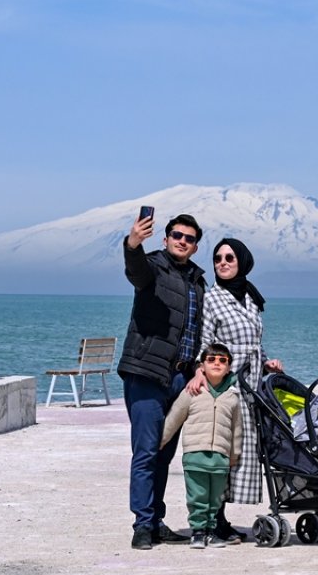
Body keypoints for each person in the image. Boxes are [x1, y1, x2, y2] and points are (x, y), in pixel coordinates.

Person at [185, 238, 283, 544]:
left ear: (242, 261)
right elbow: (205, 341)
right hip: (225, 385)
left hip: (251, 385)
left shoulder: (251, 298)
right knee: (222, 451)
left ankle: (219, 518)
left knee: (239, 453)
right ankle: (214, 520)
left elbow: (254, 341)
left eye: (229, 257)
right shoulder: (212, 298)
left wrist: (267, 362)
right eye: (217, 258)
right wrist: (200, 373)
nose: (223, 262)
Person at [120, 212, 206, 550]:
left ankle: (155, 520)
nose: (182, 241)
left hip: (179, 378)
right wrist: (132, 244)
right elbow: (136, 272)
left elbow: (196, 331)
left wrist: (199, 367)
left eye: (189, 238)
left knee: (164, 454)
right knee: (145, 452)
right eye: (176, 235)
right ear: (165, 238)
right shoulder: (153, 266)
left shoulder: (198, 281)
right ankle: (142, 525)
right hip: (146, 374)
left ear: (195, 246)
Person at [162, 344, 243, 550]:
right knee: (197, 496)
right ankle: (198, 532)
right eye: (212, 359)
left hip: (220, 459)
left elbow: (237, 429)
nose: (217, 363)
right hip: (195, 456)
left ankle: (211, 531)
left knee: (215, 498)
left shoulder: (232, 397)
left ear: (229, 367)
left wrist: (234, 455)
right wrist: (159, 442)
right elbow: (173, 418)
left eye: (222, 360)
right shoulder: (191, 392)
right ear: (202, 366)